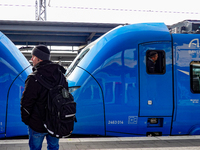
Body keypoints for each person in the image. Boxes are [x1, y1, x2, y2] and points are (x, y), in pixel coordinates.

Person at [20, 45, 66, 150]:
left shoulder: (33, 77)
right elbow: (65, 98)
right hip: (55, 123)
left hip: (37, 124)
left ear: (38, 58)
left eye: (33, 56)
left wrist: (27, 120)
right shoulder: (61, 76)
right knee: (54, 147)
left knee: (35, 148)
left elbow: (26, 103)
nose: (31, 59)